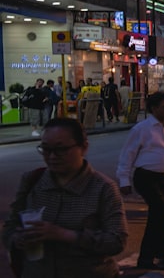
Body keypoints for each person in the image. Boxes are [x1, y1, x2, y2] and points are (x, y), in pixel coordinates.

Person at [2, 118, 127, 277]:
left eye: (61, 149)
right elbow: (9, 228)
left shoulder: (103, 188)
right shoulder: (32, 181)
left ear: (83, 147)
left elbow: (116, 241)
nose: (52, 156)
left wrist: (64, 234)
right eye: (46, 149)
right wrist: (18, 238)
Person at [116, 91, 164, 271]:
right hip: (147, 178)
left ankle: (152, 257)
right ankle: (157, 255)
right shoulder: (142, 129)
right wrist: (124, 180)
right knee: (162, 217)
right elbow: (127, 155)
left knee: (157, 218)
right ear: (154, 109)